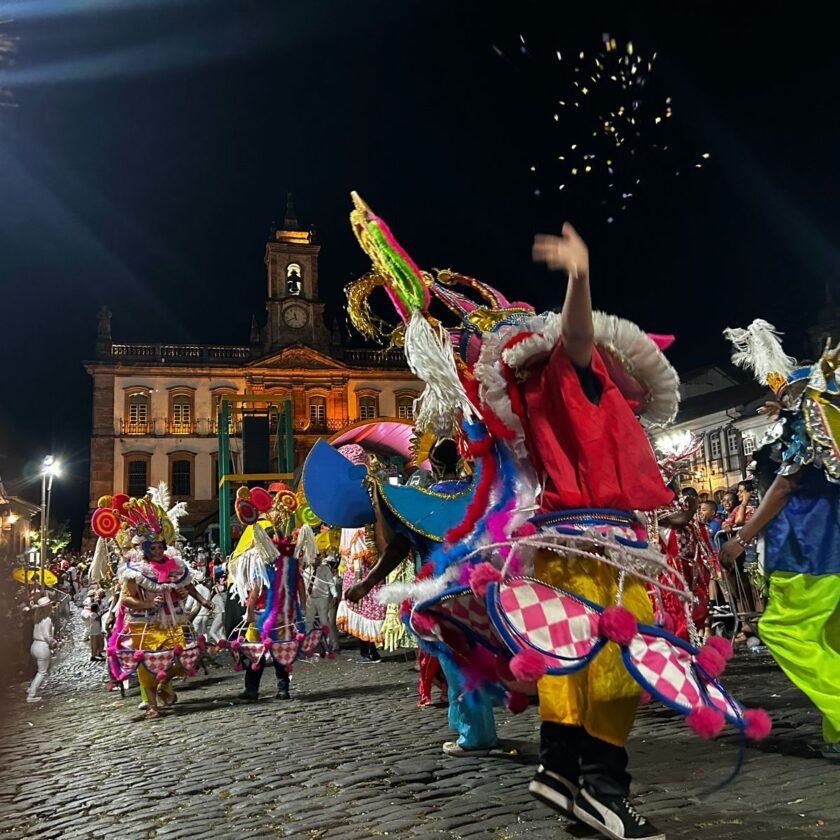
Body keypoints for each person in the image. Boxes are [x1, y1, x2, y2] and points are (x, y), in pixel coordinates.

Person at [720, 322, 840, 760]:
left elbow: (785, 487)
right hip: (834, 552)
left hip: (807, 551)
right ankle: (835, 737)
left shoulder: (806, 424)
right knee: (829, 642)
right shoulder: (835, 425)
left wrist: (743, 536)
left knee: (783, 630)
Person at [343, 438, 496, 754]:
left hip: (438, 595)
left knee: (457, 661)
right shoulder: (479, 496)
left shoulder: (422, 502)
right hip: (480, 588)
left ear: (435, 467)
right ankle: (470, 725)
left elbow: (398, 548)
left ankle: (475, 735)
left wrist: (366, 584)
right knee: (473, 658)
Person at [95, 494, 214, 720]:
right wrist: (148, 602)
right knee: (146, 663)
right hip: (144, 624)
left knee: (180, 659)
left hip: (172, 620)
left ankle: (163, 686)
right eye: (154, 548)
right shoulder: (134, 571)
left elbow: (185, 584)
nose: (158, 551)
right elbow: (126, 599)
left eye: (161, 547)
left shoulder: (174, 565)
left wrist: (201, 600)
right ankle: (151, 705)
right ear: (146, 548)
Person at [26, 596, 55, 703]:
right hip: (42, 647)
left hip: (34, 645)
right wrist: (54, 642)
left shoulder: (37, 619)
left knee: (38, 670)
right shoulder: (47, 620)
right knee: (42, 672)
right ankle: (31, 695)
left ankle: (31, 687)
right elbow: (47, 636)